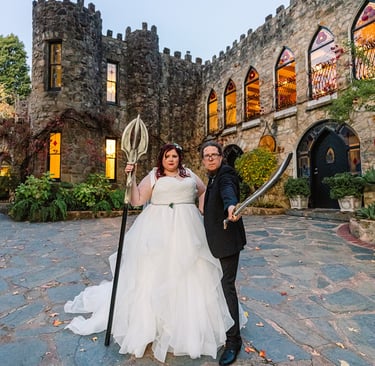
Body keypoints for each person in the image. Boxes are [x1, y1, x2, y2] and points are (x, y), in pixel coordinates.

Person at [64, 143, 234, 363]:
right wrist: (131, 178)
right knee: (156, 273)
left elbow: (203, 191)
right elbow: (136, 200)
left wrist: (202, 209)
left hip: (189, 227)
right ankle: (152, 324)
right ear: (161, 159)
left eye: (174, 156)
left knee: (192, 270)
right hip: (159, 228)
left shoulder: (189, 174)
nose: (171, 159)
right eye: (167, 156)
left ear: (179, 158)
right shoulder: (154, 175)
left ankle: (190, 324)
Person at [200, 141, 247, 366]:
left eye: (214, 155)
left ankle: (233, 340)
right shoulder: (212, 177)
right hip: (216, 242)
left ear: (221, 157)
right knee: (217, 286)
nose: (210, 158)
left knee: (226, 287)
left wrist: (231, 207)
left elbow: (228, 192)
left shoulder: (225, 174)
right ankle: (222, 326)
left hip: (227, 242)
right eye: (206, 155)